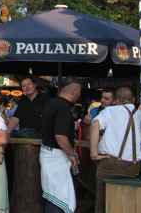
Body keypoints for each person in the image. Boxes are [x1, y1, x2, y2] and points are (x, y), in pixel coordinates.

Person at [90, 87, 141, 213]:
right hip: (134, 166)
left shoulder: (110, 111)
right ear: (133, 100)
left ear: (116, 100)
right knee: (127, 205)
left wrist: (94, 153)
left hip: (110, 165)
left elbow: (95, 124)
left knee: (104, 204)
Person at [40, 77, 82, 213]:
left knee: (53, 195)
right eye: (79, 91)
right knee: (59, 197)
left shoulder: (51, 103)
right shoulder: (63, 108)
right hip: (56, 158)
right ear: (74, 90)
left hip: (48, 154)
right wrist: (72, 154)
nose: (80, 95)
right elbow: (60, 136)